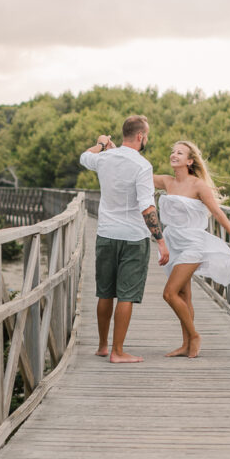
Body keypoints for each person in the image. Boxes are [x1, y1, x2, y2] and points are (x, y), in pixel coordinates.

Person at [79, 115, 169, 363]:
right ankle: (118, 352)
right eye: (146, 135)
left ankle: (102, 346)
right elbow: (147, 207)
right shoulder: (143, 166)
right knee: (126, 295)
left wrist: (101, 144)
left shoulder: (104, 158)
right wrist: (161, 241)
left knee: (105, 292)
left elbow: (84, 157)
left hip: (106, 234)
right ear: (140, 136)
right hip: (133, 238)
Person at [154, 140, 230, 358]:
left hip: (193, 243)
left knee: (169, 293)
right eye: (173, 151)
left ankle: (194, 336)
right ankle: (186, 344)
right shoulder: (166, 181)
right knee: (184, 295)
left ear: (189, 161)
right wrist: (116, 151)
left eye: (180, 153)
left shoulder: (198, 185)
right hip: (173, 242)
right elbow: (138, 171)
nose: (174, 155)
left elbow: (217, 212)